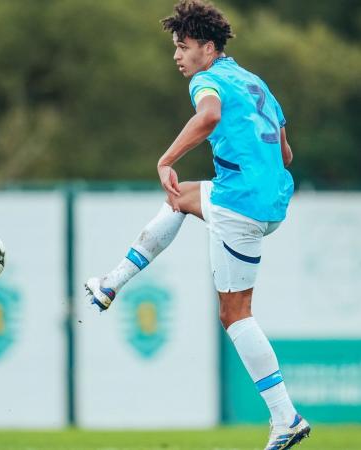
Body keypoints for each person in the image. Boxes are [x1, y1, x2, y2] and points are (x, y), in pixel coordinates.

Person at [85, 1, 310, 448]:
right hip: (271, 202)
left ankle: (285, 417)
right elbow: (286, 155)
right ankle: (111, 283)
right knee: (180, 199)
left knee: (235, 315)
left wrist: (166, 157)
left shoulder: (209, 81)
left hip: (240, 204)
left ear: (207, 48)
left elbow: (208, 117)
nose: (177, 56)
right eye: (175, 47)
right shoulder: (254, 81)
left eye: (183, 47)